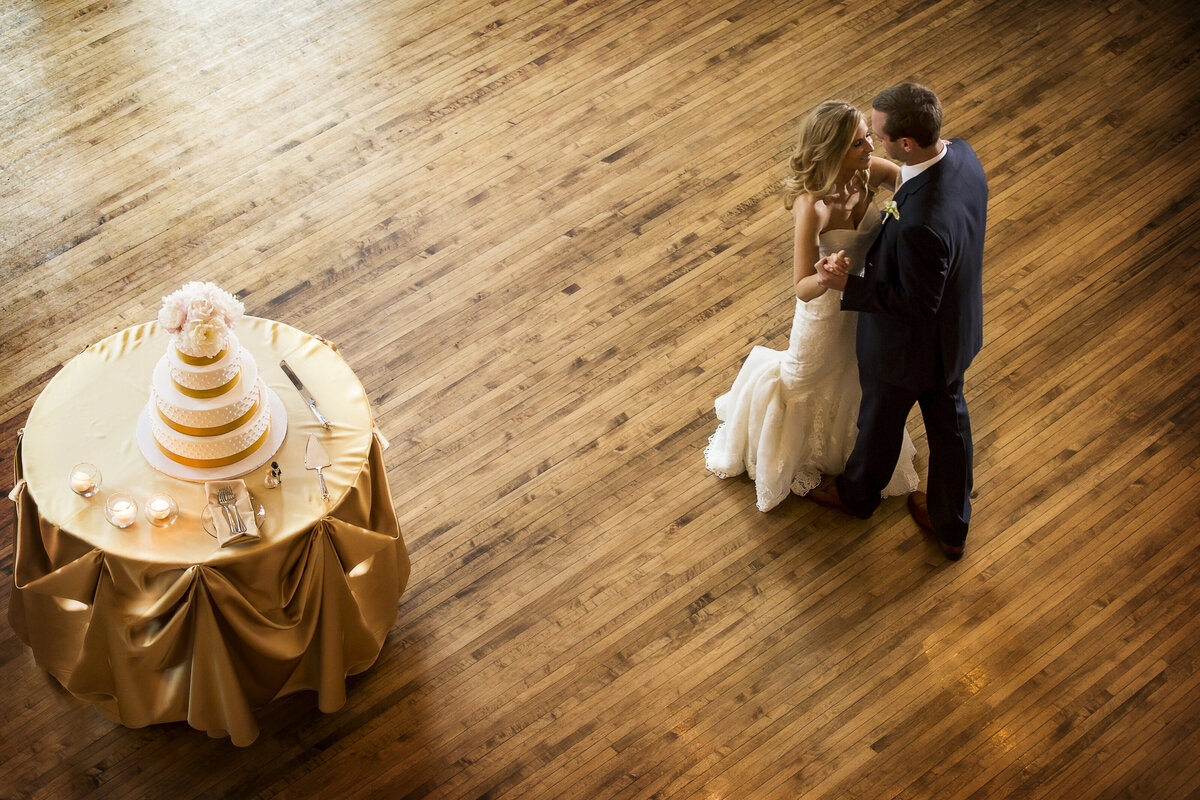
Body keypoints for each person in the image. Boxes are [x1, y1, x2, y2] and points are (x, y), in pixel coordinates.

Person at [705, 99, 918, 512]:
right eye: (858, 143)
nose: (870, 147)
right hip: (824, 313)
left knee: (855, 377)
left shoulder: (870, 171)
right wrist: (824, 275)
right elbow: (801, 287)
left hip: (866, 306)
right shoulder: (812, 205)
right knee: (803, 380)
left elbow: (911, 184)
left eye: (868, 137)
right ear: (834, 150)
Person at [810, 83, 988, 561]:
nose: (874, 143)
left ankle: (858, 496)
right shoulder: (964, 158)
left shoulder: (919, 224)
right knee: (950, 426)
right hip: (957, 329)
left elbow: (915, 303)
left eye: (879, 134)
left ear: (905, 143)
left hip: (907, 346)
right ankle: (952, 525)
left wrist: (850, 287)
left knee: (880, 420)